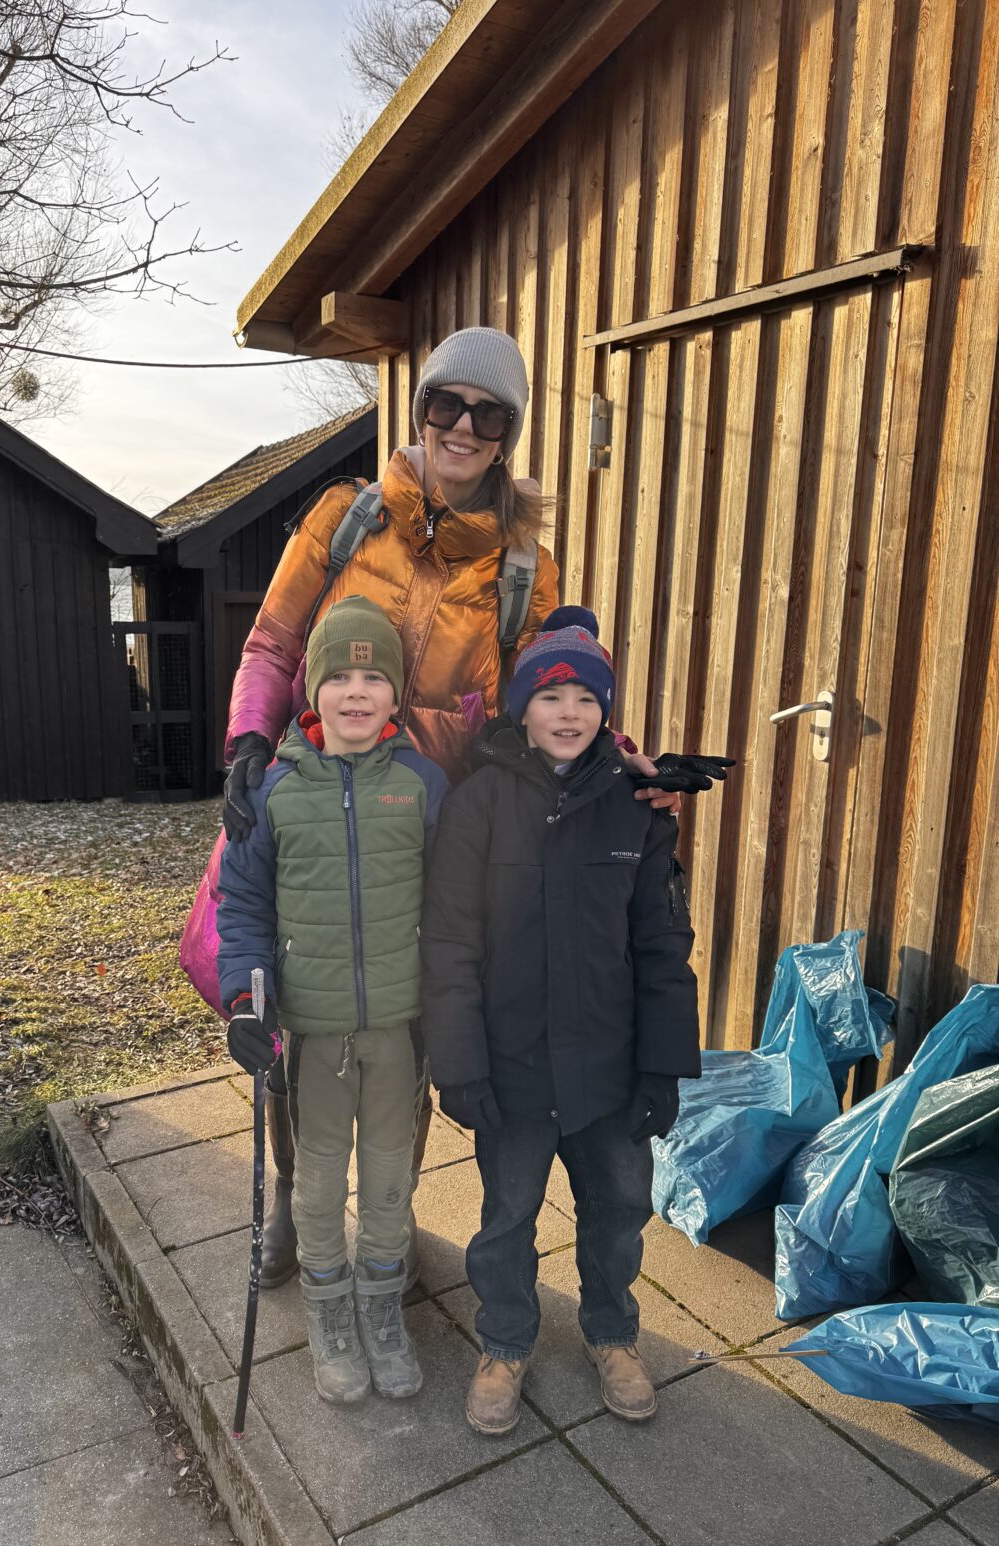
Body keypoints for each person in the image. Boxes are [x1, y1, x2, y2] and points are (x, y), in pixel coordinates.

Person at [215, 325, 701, 1292]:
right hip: (313, 788)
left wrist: (626, 768)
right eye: (448, 405)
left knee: (417, 1020)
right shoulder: (343, 517)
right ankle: (289, 1195)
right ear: (422, 410)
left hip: (437, 818)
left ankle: (389, 1213)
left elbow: (550, 700)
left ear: (509, 433)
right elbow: (273, 643)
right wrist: (248, 746)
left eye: (489, 414)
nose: (464, 427)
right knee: (292, 1009)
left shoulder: (526, 567)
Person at [420, 606, 703, 1435]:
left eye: (586, 696)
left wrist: (662, 1067)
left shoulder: (637, 814)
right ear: (521, 707)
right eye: (551, 695)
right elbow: (449, 944)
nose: (569, 711)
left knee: (618, 1211)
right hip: (511, 1066)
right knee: (506, 1218)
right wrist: (459, 1064)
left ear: (606, 712)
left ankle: (613, 1332)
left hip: (611, 1070)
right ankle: (504, 1341)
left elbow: (663, 948)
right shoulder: (477, 808)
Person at [217, 596, 447, 1404]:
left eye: (373, 677)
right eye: (339, 676)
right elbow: (241, 910)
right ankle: (329, 1312)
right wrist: (245, 1003)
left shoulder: (422, 785)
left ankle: (381, 1305)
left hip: (396, 1030)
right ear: (312, 689)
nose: (356, 692)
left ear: (395, 695)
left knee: (390, 1179)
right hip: (309, 1037)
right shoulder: (273, 791)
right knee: (316, 1184)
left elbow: (456, 907)